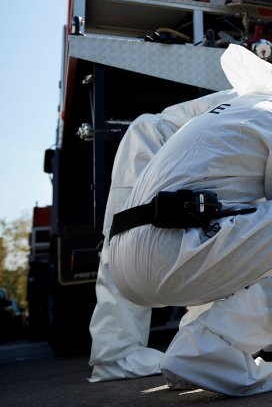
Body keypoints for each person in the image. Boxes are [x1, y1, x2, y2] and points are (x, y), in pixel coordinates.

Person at [107, 45, 272, 396]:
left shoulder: (230, 109)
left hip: (128, 264)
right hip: (169, 250)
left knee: (245, 235)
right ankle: (210, 353)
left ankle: (188, 361)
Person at [89, 88, 239, 382]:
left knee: (204, 243)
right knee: (123, 241)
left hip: (166, 154)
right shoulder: (267, 104)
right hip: (151, 151)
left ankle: (194, 348)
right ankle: (115, 357)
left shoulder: (257, 95)